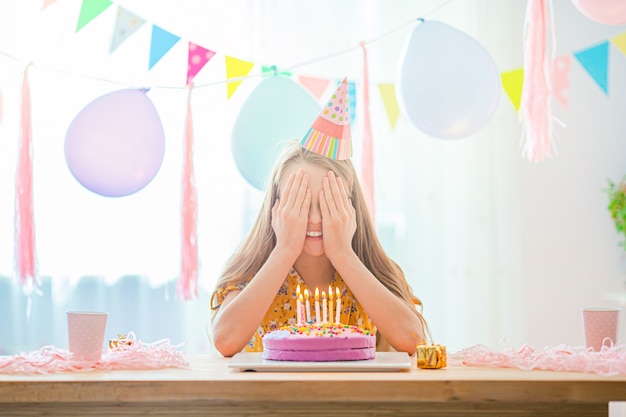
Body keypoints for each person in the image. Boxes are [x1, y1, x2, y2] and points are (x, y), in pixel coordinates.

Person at [209, 79, 428, 357]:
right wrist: (284, 251)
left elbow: (413, 340)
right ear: (276, 208)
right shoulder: (251, 273)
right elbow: (225, 340)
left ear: (350, 209)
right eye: (299, 203)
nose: (314, 219)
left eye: (327, 204)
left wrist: (343, 254)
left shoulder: (372, 272)